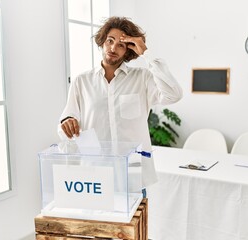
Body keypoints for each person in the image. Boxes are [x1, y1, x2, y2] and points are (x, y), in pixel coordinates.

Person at [58, 16, 182, 192]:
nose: (113, 48)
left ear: (129, 51)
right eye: (110, 41)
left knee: (136, 220)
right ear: (102, 42)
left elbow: (174, 94)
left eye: (121, 45)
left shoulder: (142, 78)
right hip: (95, 176)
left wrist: (146, 52)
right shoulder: (81, 81)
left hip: (133, 174)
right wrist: (67, 122)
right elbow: (67, 120)